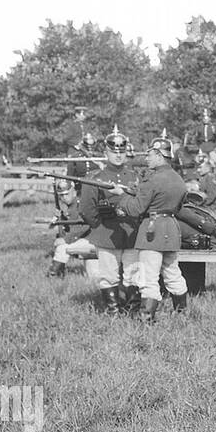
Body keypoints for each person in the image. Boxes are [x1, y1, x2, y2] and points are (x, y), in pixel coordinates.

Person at [104, 132, 190, 323]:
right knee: (173, 273)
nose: (147, 158)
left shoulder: (152, 180)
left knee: (148, 276)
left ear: (159, 155)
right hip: (171, 229)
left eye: (150, 154)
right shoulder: (178, 179)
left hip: (152, 232)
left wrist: (121, 195)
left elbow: (136, 209)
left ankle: (147, 319)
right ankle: (182, 314)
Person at [77, 125, 141, 315]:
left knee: (133, 275)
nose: (118, 156)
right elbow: (86, 209)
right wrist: (99, 226)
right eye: (114, 152)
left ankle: (133, 312)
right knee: (109, 276)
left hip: (131, 233)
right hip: (106, 233)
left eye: (121, 152)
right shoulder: (95, 177)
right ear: (106, 152)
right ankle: (113, 312)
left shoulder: (135, 177)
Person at [45, 177, 98, 279]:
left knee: (62, 247)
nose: (64, 197)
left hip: (92, 241)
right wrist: (59, 217)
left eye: (66, 194)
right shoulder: (68, 207)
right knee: (92, 276)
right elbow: (65, 229)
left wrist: (65, 240)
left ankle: (53, 276)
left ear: (74, 192)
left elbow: (84, 226)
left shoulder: (82, 205)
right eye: (61, 195)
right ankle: (55, 276)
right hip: (82, 240)